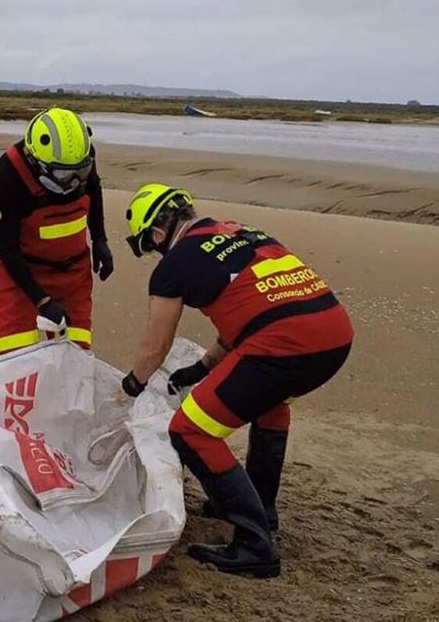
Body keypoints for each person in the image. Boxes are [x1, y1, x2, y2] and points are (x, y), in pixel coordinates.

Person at [118, 183, 353, 578]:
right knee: (269, 405)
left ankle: (255, 545)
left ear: (157, 233)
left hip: (285, 343)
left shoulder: (172, 266)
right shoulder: (241, 231)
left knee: (190, 429)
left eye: (150, 244)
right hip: (333, 334)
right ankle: (263, 508)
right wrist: (205, 365)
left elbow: (155, 347)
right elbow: (254, 307)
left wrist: (132, 385)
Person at [0, 107, 112, 355]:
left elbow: (93, 189)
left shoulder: (79, 156)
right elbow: (7, 249)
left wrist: (100, 240)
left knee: (76, 353)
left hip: (73, 273)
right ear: (36, 161)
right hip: (20, 273)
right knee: (15, 357)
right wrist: (42, 301)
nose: (73, 182)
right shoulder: (5, 179)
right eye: (64, 174)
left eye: (81, 171)